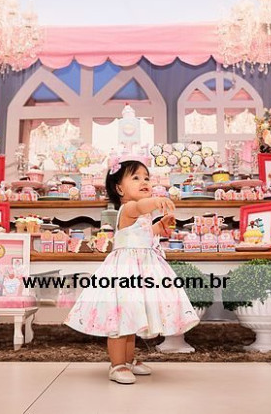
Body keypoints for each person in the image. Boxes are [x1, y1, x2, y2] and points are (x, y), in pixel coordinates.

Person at [64, 160, 200, 384]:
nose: (144, 182)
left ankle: (128, 361)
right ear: (119, 189)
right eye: (135, 178)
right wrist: (155, 201)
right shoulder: (128, 209)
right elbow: (139, 208)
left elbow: (146, 232)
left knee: (132, 318)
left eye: (146, 178)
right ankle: (117, 364)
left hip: (142, 271)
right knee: (121, 318)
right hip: (125, 272)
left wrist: (161, 226)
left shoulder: (143, 216)